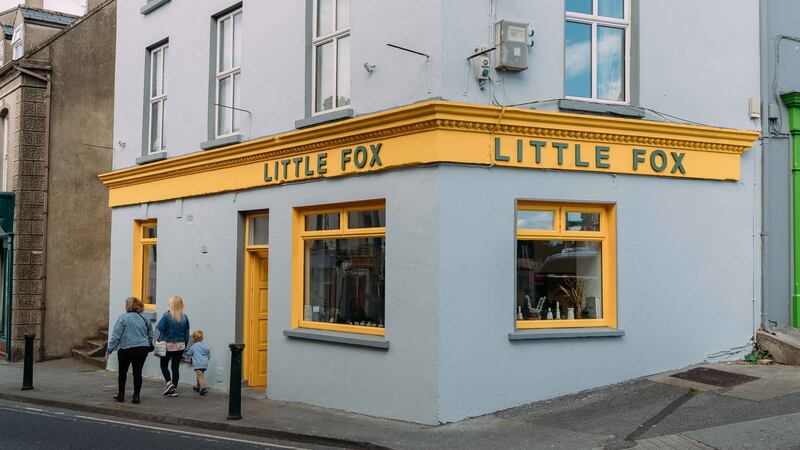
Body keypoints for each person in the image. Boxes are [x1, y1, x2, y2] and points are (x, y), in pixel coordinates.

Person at [106, 297, 153, 404]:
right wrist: (148, 345)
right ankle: (136, 396)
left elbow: (116, 336)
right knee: (138, 372)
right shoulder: (145, 318)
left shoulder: (123, 318)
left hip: (126, 349)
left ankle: (121, 395)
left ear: (128, 306)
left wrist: (109, 350)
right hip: (142, 349)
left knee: (123, 372)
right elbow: (150, 335)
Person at [156, 296, 190, 397]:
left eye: (169, 303)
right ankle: (173, 389)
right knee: (175, 368)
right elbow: (187, 334)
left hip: (168, 345)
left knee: (163, 365)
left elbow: (159, 327)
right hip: (180, 346)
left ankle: (169, 383)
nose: (168, 305)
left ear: (173, 305)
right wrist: (184, 345)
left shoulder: (167, 315)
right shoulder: (185, 317)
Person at [184, 329, 211, 395]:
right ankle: (197, 386)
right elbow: (209, 355)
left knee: (200, 376)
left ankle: (203, 388)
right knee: (200, 375)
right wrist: (206, 361)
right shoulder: (205, 346)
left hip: (198, 364)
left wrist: (185, 352)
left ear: (194, 338)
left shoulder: (194, 346)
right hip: (204, 364)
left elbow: (189, 353)